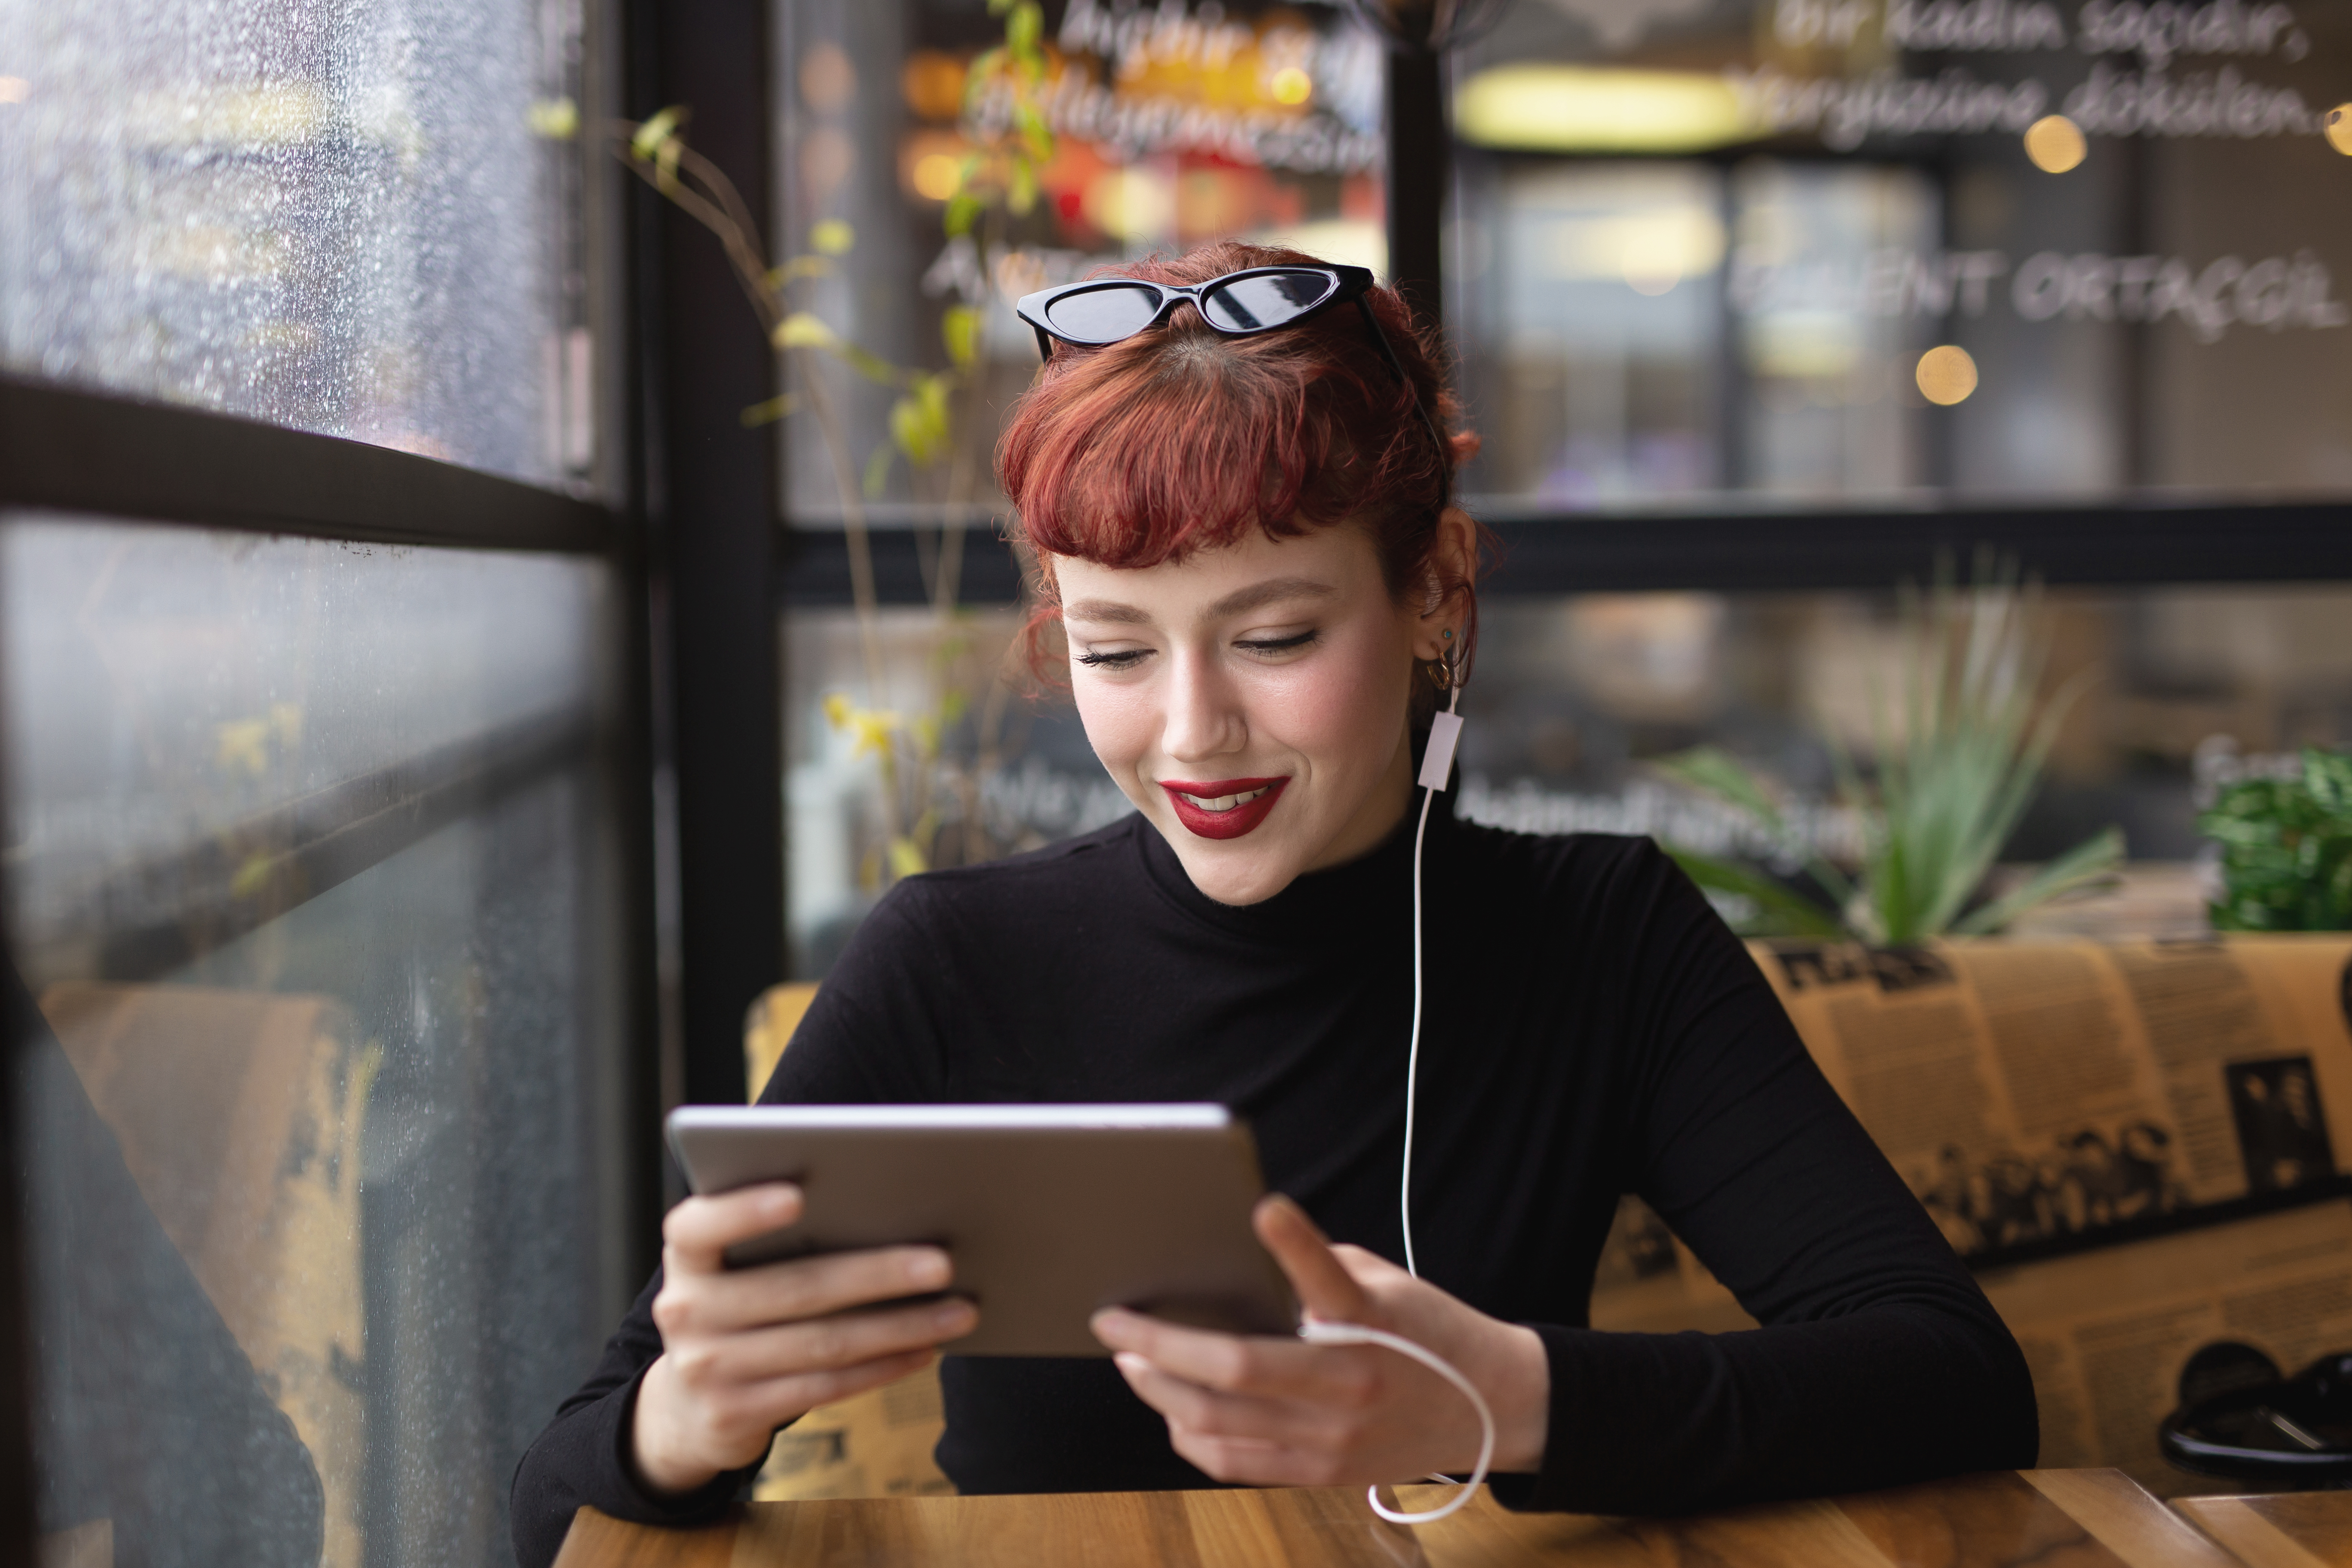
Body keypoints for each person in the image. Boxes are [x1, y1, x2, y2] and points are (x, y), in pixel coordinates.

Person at [509, 241, 2036, 1568]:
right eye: (1115, 652)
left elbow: (1957, 1378)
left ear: (1434, 588)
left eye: (1276, 633)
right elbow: (551, 1501)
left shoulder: (1600, 935)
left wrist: (1498, 1398)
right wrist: (682, 1419)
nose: (1190, 735)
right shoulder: (954, 960)